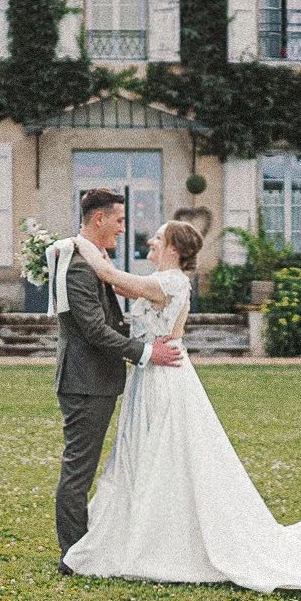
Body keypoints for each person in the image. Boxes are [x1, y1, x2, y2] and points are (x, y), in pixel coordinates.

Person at [60, 218, 301, 593]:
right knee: (145, 453)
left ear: (173, 248)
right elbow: (115, 281)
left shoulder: (171, 282)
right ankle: (140, 527)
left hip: (165, 378)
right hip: (150, 374)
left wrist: (76, 242)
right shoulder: (161, 281)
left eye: (157, 237)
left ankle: (160, 536)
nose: (149, 241)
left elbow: (109, 275)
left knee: (166, 452)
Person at [53, 187, 183, 571]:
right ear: (99, 219)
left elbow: (110, 318)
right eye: (120, 220)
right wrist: (146, 352)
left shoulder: (93, 261)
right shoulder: (78, 265)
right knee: (79, 469)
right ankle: (73, 556)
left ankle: (86, 546)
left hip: (99, 380)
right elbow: (94, 330)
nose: (124, 229)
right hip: (84, 381)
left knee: (88, 467)